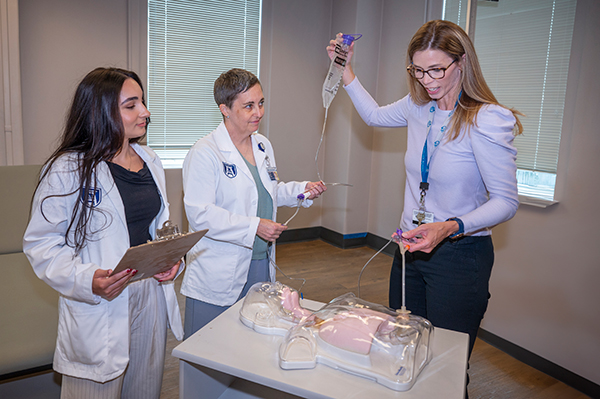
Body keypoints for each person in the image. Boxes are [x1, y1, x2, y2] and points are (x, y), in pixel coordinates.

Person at [327, 20, 522, 358]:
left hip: (459, 255)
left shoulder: (488, 119)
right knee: (404, 348)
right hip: (411, 248)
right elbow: (373, 115)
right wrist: (344, 68)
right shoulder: (419, 107)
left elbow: (506, 201)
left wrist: (449, 227)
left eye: (436, 70)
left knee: (445, 361)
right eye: (418, 71)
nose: (426, 81)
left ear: (461, 63)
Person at [23, 67, 183, 399]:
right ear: (102, 112)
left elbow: (154, 228)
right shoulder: (67, 169)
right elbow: (41, 244)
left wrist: (169, 258)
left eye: (143, 102)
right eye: (132, 105)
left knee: (144, 388)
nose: (145, 112)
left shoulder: (150, 160)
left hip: (149, 293)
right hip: (100, 298)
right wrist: (87, 280)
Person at [181, 68, 326, 338]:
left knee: (247, 342)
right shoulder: (204, 153)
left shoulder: (262, 145)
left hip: (259, 260)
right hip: (219, 266)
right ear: (224, 109)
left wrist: (301, 191)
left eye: (260, 103)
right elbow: (200, 215)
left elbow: (266, 192)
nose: (258, 112)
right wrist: (255, 226)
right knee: (209, 347)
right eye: (249, 106)